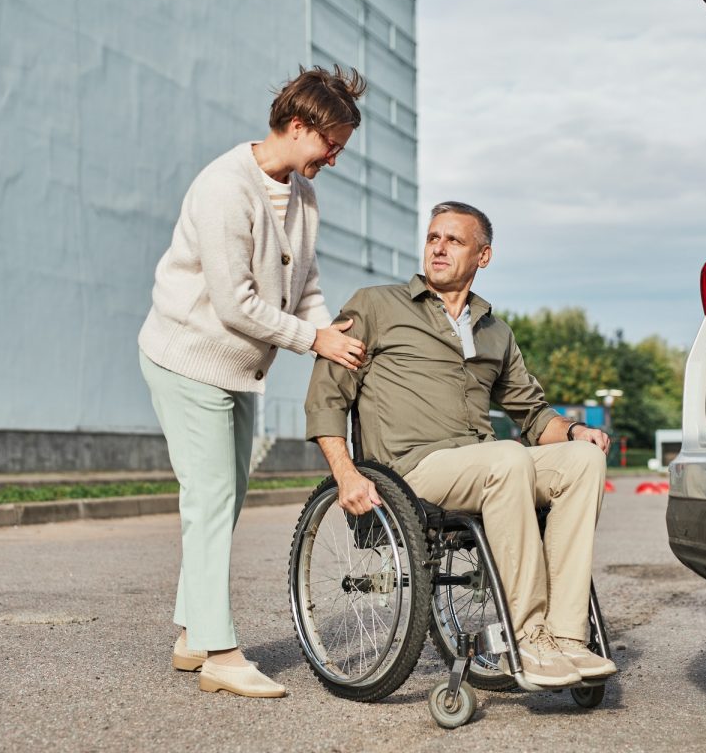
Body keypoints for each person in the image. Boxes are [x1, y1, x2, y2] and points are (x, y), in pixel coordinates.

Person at [305, 201, 617, 688]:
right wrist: (346, 473)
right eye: (433, 238)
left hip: (487, 466)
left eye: (454, 240)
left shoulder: (495, 331)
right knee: (507, 458)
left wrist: (576, 432)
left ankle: (567, 636)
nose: (439, 247)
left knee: (583, 462)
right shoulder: (376, 306)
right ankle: (529, 636)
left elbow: (533, 415)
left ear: (483, 256)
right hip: (411, 472)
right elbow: (328, 394)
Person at [138, 65, 368, 699]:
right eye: (332, 144)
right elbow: (236, 303)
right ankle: (218, 652)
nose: (334, 157)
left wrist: (334, 337)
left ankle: (191, 633)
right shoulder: (224, 188)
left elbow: (308, 283)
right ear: (299, 127)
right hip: (187, 357)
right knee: (209, 500)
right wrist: (312, 338)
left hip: (235, 368)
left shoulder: (302, 195)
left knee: (226, 496)